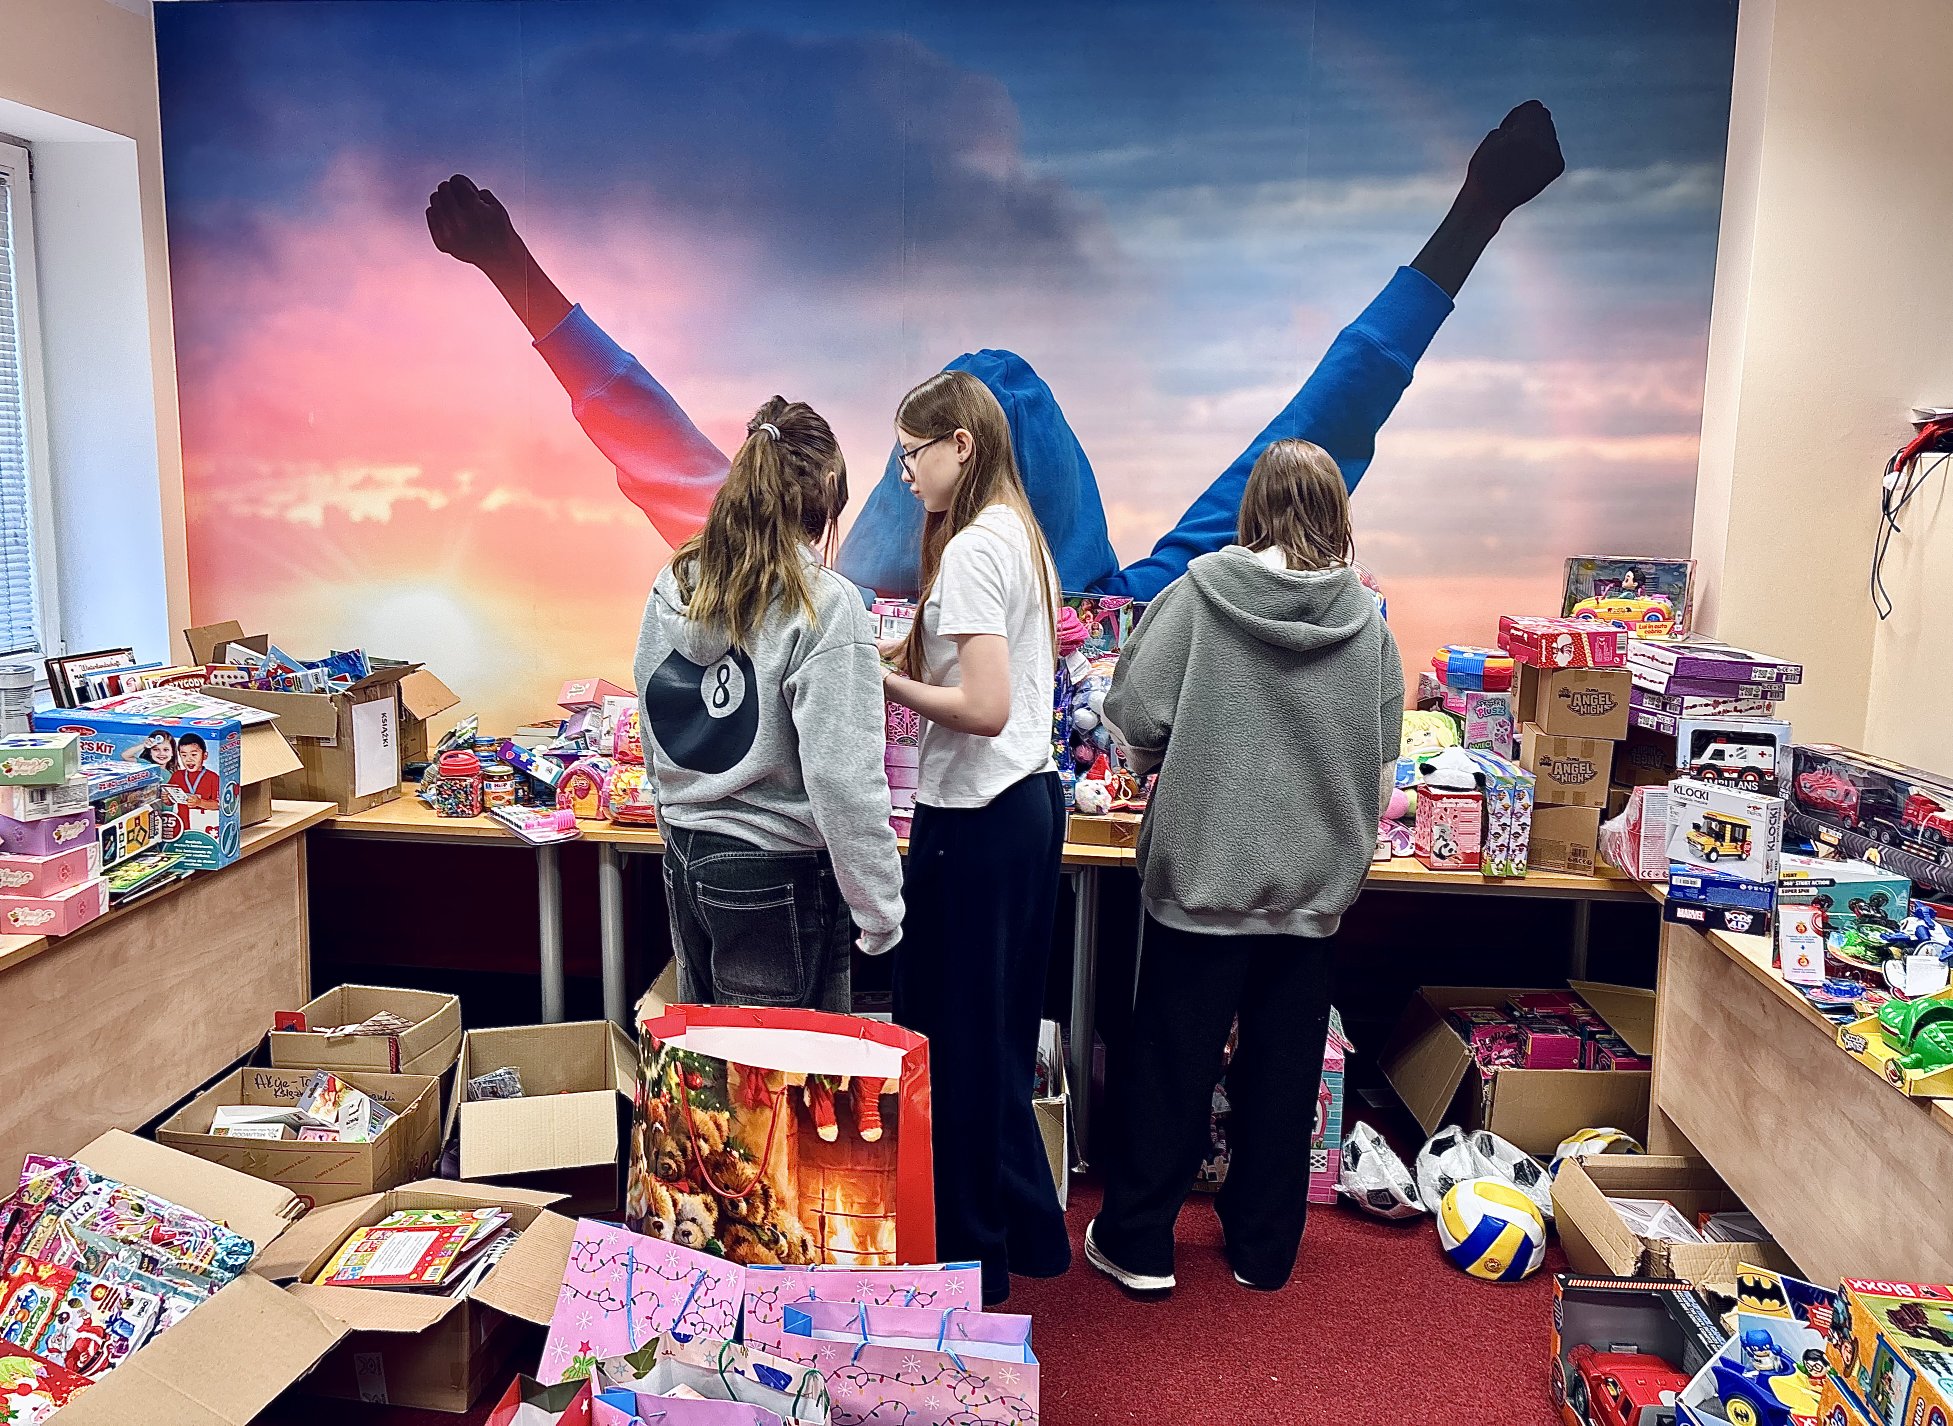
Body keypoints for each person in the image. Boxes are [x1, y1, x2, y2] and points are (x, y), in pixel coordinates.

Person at [424, 102, 1565, 598]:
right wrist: (1472, 217)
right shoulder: (1105, 624)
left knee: (760, 514)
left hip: (943, 613)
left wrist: (510, 268)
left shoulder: (830, 609)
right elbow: (1314, 434)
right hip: (1040, 615)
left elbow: (659, 451)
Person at [1083, 439, 1404, 1295]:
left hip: (1203, 874)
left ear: (1252, 505)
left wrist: (1166, 756)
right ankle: (1264, 1251)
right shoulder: (1367, 625)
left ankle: (1138, 1244)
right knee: (1284, 1073)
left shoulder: (1197, 596)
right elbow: (1380, 772)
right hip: (1312, 888)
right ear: (1335, 511)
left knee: (1172, 1064)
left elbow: (1134, 715)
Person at [877, 370, 1067, 1305]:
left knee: (951, 1045)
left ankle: (968, 1262)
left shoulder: (971, 551)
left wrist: (883, 684)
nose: (904, 472)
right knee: (996, 1039)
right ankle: (1025, 1234)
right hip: (1026, 808)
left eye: (911, 452)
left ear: (960, 443)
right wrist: (896, 653)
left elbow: (984, 706)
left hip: (977, 818)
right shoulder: (1015, 534)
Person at [635, 397, 904, 1011]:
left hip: (686, 852)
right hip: (778, 870)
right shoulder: (824, 604)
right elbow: (844, 778)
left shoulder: (677, 581)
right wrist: (880, 909)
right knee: (782, 1069)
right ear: (828, 490)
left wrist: (677, 819)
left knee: (711, 1061)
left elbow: (656, 719)